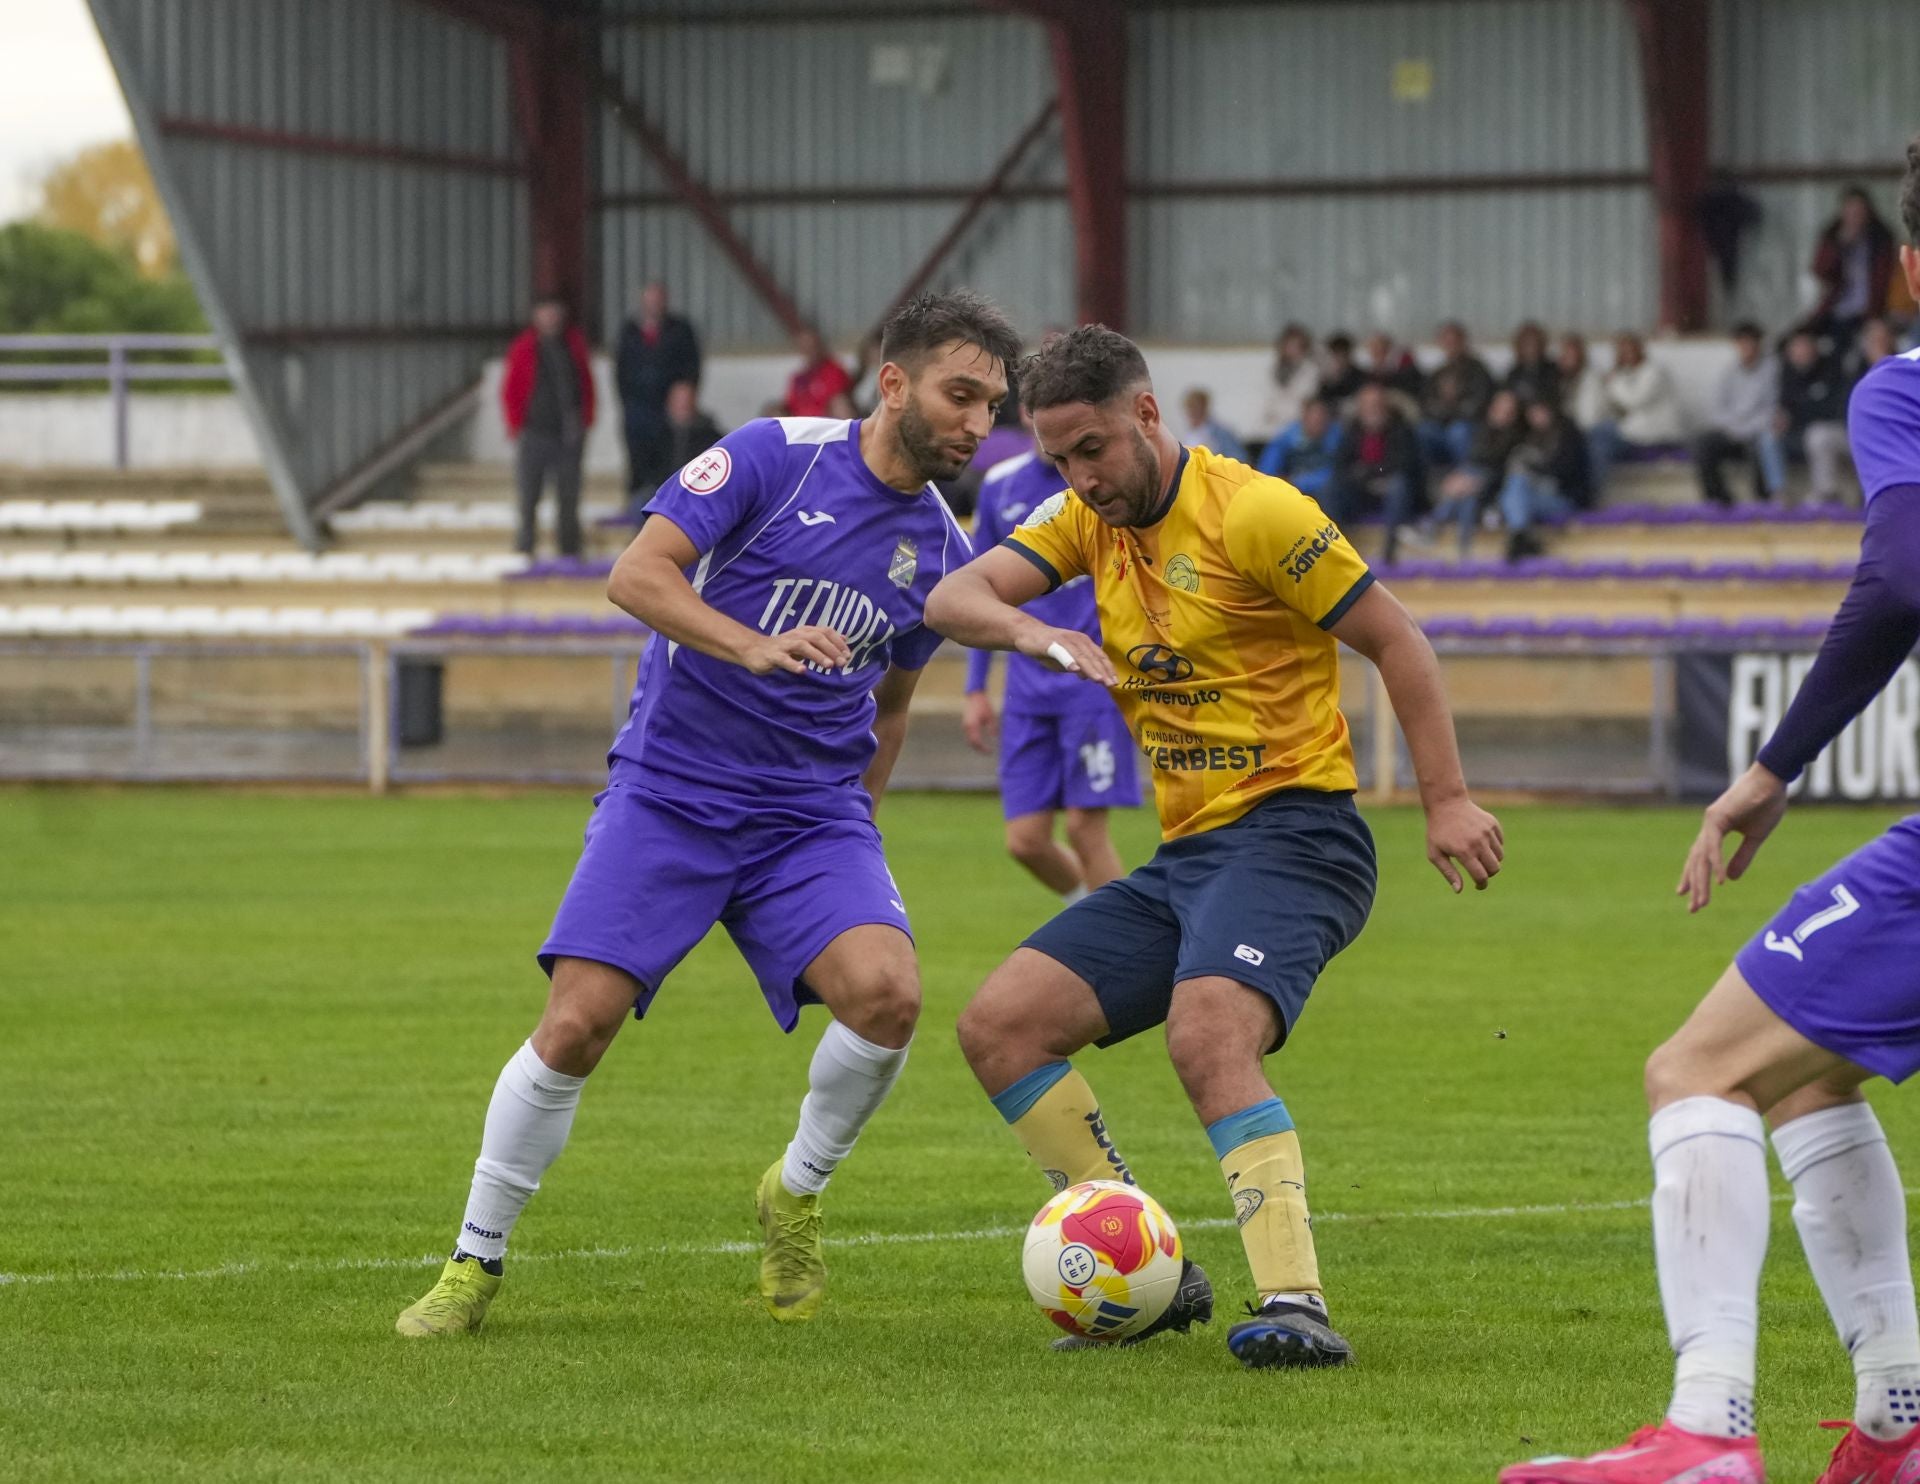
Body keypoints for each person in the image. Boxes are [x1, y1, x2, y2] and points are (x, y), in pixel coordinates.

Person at [394, 289, 1019, 1338]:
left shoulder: (944, 554)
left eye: (993, 405)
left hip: (810, 819)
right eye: (962, 395)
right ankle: (473, 1260)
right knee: (577, 1022)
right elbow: (635, 574)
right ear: (894, 381)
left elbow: (896, 702)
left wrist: (858, 827)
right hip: (673, 790)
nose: (977, 423)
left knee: (888, 995)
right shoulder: (774, 455)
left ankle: (796, 1191)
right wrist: (748, 641)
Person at [924, 325, 1502, 1373]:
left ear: (1148, 414)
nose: (1079, 478)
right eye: (1059, 458)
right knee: (1000, 1025)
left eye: (1092, 448)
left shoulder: (1257, 512)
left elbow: (1397, 639)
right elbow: (951, 598)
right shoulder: (1082, 521)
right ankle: (1152, 1261)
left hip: (1299, 834)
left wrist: (1448, 799)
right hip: (1189, 854)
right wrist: (1034, 633)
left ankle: (1298, 1299)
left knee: (1205, 1033)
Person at [1499, 137, 1920, 1484]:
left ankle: (1706, 1432)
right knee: (1809, 1077)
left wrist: (1772, 763)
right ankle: (1899, 1419)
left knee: (1699, 1070)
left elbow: (1903, 574)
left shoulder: (1904, 387)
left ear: (1906, 267)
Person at [963, 410, 1140, 907]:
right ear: (1026, 414)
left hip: (1093, 684)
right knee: (1026, 841)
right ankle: (1096, 920)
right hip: (1026, 689)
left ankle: (1123, 953)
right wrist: (975, 688)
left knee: (1086, 829)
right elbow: (979, 592)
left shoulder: (1103, 483)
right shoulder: (999, 486)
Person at [501, 295, 595, 559]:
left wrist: (585, 420)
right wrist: (515, 424)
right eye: (546, 313)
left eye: (555, 313)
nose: (551, 319)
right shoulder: (524, 348)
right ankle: (525, 548)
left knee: (568, 497)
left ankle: (569, 549)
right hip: (535, 433)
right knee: (529, 496)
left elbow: (585, 384)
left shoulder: (573, 345)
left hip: (568, 435)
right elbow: (511, 389)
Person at [613, 280, 702, 498]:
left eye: (659, 299)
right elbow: (620, 371)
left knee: (672, 462)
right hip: (637, 410)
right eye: (650, 299)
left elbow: (692, 367)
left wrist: (682, 397)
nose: (655, 304)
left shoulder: (680, 330)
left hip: (669, 410)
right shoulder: (630, 331)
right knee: (638, 463)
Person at [1333, 380, 1427, 561]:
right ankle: (1337, 550)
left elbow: (1405, 464)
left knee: (1398, 485)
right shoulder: (1351, 431)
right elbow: (1341, 466)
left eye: (1376, 404)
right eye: (1367, 405)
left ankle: (1390, 551)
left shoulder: (1401, 429)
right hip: (1360, 490)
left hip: (1391, 488)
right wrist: (1365, 476)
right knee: (1331, 488)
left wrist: (1370, 472)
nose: (1372, 410)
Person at [1693, 322, 1784, 506]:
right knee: (1702, 444)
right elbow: (1718, 410)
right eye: (1742, 343)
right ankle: (1718, 499)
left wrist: (1748, 428)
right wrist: (1734, 428)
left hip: (1758, 430)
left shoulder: (1773, 370)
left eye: (1751, 343)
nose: (1746, 348)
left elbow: (1772, 408)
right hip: (1732, 431)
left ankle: (1763, 499)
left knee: (1763, 443)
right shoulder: (1728, 372)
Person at [1589, 333, 1685, 501]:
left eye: (1629, 350)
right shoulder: (1625, 374)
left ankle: (1590, 493)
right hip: (1632, 432)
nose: (1626, 355)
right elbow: (1610, 407)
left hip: (1655, 434)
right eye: (1621, 351)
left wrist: (1613, 381)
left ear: (1640, 350)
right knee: (1597, 437)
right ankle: (1587, 490)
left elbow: (1634, 400)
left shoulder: (1654, 372)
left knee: (1602, 436)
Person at [1431, 388, 1524, 558]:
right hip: (1473, 483)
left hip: (1494, 485)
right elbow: (1473, 459)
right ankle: (1463, 550)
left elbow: (1498, 468)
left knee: (1468, 487)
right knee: (1468, 498)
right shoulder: (1481, 430)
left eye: (1508, 411)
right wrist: (1464, 479)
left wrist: (1470, 481)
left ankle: (1434, 525)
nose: (1502, 414)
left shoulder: (1515, 436)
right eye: (1499, 408)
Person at [1803, 184, 1897, 350]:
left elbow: (1887, 278)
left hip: (1872, 312)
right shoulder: (1832, 236)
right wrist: (1839, 246)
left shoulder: (1880, 239)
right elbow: (1820, 272)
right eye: (1850, 211)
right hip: (1836, 311)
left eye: (1859, 211)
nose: (1855, 216)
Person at [1499, 398, 1589, 560]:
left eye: (1540, 411)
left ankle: (1518, 536)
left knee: (1515, 489)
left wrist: (1536, 469)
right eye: (1532, 413)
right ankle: (1521, 536)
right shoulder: (1527, 437)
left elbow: (1568, 473)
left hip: (1564, 497)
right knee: (1515, 486)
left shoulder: (1568, 436)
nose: (1536, 417)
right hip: (1533, 495)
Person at [1777, 328, 1852, 505]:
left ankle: (1826, 493)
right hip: (1800, 431)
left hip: (1841, 430)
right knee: (1767, 437)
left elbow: (1835, 409)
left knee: (1818, 434)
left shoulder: (1832, 369)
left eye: (1804, 346)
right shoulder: (1788, 374)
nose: (1801, 352)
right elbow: (1786, 408)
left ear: (1815, 347)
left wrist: (1801, 412)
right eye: (1796, 348)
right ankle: (1777, 495)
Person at [625, 380, 723, 512]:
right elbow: (644, 467)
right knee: (640, 502)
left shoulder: (709, 435)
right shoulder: (656, 433)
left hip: (696, 491)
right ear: (669, 402)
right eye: (679, 400)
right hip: (660, 489)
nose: (683, 405)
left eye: (686, 400)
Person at [1419, 320, 1495, 470]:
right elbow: (1426, 404)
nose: (1451, 345)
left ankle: (1466, 474)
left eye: (1454, 341)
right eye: (1446, 341)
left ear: (1463, 341)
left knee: (1459, 431)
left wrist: (1450, 407)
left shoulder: (1478, 370)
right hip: (1440, 425)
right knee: (1423, 430)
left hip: (1468, 425)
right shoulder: (1438, 373)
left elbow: (1479, 404)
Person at [1255, 396, 1340, 505]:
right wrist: (1271, 482)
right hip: (1290, 488)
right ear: (1304, 417)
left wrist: (1296, 481)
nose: (1317, 422)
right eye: (1313, 418)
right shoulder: (1288, 436)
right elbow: (1268, 465)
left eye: (1321, 419)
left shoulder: (1335, 438)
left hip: (1321, 491)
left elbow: (1335, 471)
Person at [1259, 323, 1322, 439]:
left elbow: (1305, 399)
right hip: (1272, 425)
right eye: (1289, 345)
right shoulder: (1273, 369)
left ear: (1304, 348)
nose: (1291, 349)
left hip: (1298, 425)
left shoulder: (1310, 370)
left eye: (1296, 346)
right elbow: (1268, 399)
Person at [785, 327, 854, 417]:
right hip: (800, 424)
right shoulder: (798, 378)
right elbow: (789, 405)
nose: (808, 352)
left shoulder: (834, 371)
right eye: (804, 348)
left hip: (826, 422)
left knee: (840, 404)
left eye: (811, 347)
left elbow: (840, 400)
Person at [1503, 321, 1562, 410]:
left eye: (1534, 344)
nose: (1531, 349)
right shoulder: (1514, 374)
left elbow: (1555, 397)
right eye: (1527, 344)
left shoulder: (1553, 371)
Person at [1178, 387, 1249, 461]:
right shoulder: (1190, 434)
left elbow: (1239, 459)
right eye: (1189, 407)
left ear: (1204, 407)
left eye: (1194, 407)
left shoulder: (1221, 433)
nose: (1191, 412)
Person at [1318, 332, 1367, 413]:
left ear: (1349, 354)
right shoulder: (1326, 378)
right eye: (1336, 354)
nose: (1339, 359)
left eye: (1342, 354)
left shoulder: (1360, 376)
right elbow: (1322, 400)